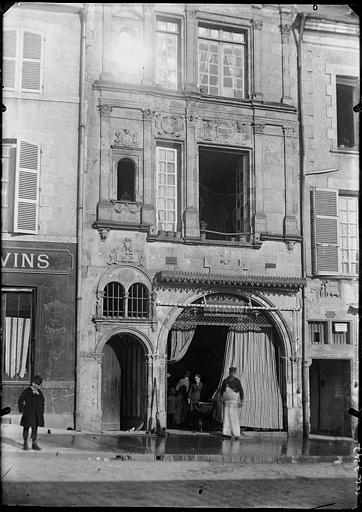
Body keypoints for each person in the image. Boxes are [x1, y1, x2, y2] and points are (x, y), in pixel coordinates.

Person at [18, 375, 45, 451]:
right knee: (26, 427)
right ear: (32, 383)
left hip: (36, 414)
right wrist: (23, 410)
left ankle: (34, 443)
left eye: (38, 384)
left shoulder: (39, 393)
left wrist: (41, 411)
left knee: (35, 428)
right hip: (28, 413)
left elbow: (42, 402)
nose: (36, 385)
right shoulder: (26, 391)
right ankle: (25, 443)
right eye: (35, 384)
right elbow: (20, 401)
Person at [220, 367, 243, 440]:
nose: (232, 374)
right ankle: (227, 433)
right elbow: (222, 390)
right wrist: (221, 398)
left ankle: (236, 434)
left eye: (233, 372)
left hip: (234, 402)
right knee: (227, 418)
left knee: (234, 418)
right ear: (229, 372)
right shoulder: (225, 381)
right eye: (231, 372)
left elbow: (241, 391)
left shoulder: (237, 381)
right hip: (227, 402)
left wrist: (241, 400)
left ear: (235, 373)